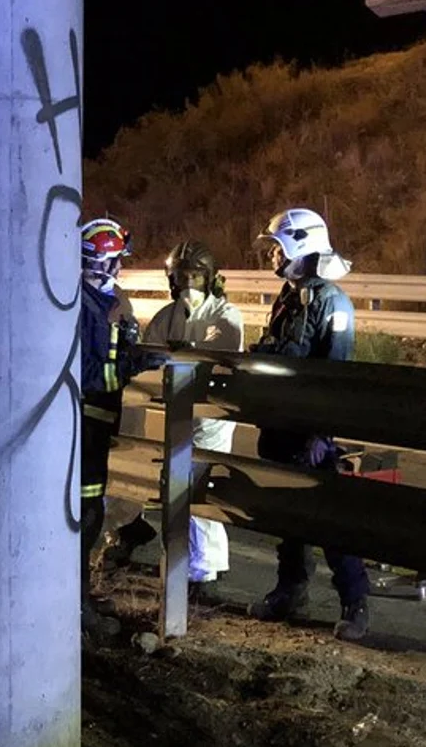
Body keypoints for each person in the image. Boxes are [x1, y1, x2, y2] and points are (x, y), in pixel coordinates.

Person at [246, 207, 373, 642]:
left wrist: (321, 432)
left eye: (276, 247)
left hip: (310, 427)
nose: (271, 257)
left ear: (300, 245)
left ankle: (355, 601)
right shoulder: (290, 295)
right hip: (280, 420)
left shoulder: (330, 300)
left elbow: (336, 373)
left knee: (327, 515)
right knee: (286, 513)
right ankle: (290, 589)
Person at [100, 240, 245, 584]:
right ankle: (188, 563)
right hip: (178, 413)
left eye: (195, 276)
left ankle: (207, 567)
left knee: (201, 485)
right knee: (178, 487)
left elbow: (219, 358)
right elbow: (149, 357)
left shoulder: (225, 315)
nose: (187, 284)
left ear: (209, 278)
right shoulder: (168, 316)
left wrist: (183, 356)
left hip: (212, 417)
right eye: (181, 277)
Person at [77, 218, 145, 609]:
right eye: (117, 260)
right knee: (84, 516)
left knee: (88, 512)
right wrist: (135, 366)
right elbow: (93, 375)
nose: (120, 269)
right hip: (86, 424)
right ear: (103, 263)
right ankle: (79, 604)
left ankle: (81, 596)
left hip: (94, 425)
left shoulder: (98, 302)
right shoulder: (85, 307)